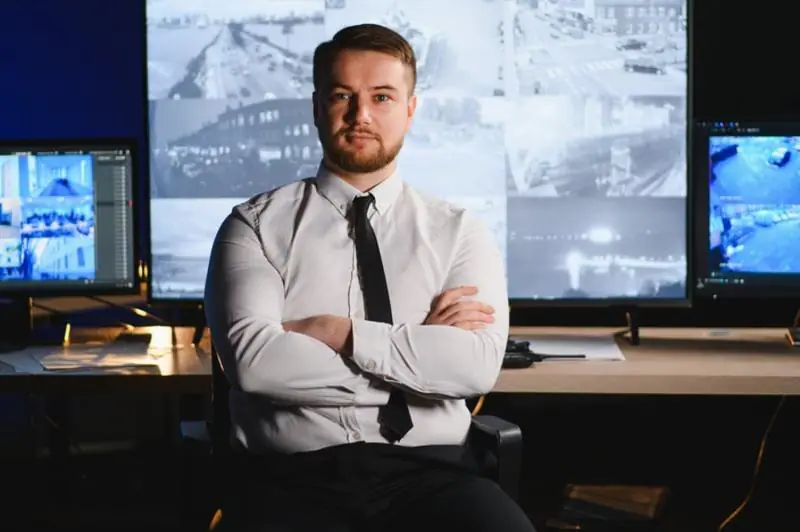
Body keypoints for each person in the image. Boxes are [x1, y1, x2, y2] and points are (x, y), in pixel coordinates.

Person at [205, 23, 535, 532]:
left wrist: (339, 333)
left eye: (382, 97)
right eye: (344, 96)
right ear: (317, 106)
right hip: (292, 478)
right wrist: (418, 361)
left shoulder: (460, 232)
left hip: (435, 474)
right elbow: (255, 366)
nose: (361, 115)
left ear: (410, 108)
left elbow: (473, 371)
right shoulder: (253, 226)